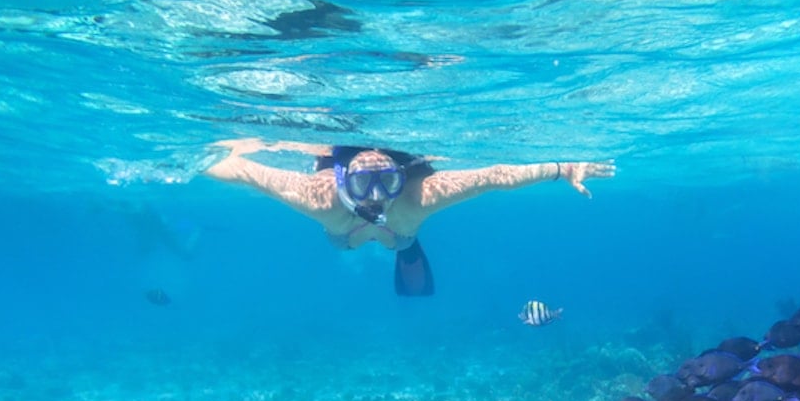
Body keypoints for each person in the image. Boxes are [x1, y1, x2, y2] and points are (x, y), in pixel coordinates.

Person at [205, 139, 616, 296]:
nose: (378, 197)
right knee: (353, 239)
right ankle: (403, 243)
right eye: (365, 183)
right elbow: (244, 171)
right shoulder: (319, 198)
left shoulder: (416, 198)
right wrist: (196, 158)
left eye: (388, 182)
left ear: (402, 177)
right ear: (342, 179)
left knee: (399, 235)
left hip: (400, 234)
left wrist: (563, 168)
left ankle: (407, 247)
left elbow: (494, 177)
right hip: (345, 235)